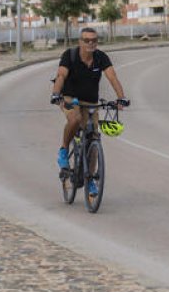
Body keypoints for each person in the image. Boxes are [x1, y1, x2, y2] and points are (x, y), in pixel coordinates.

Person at [50, 27, 129, 197]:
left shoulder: (101, 57)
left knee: (93, 139)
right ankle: (63, 151)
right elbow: (61, 75)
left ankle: (90, 179)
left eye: (94, 40)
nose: (91, 43)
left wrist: (121, 98)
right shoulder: (69, 55)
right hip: (70, 97)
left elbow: (112, 76)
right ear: (80, 42)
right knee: (75, 119)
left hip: (90, 102)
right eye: (87, 40)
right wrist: (56, 94)